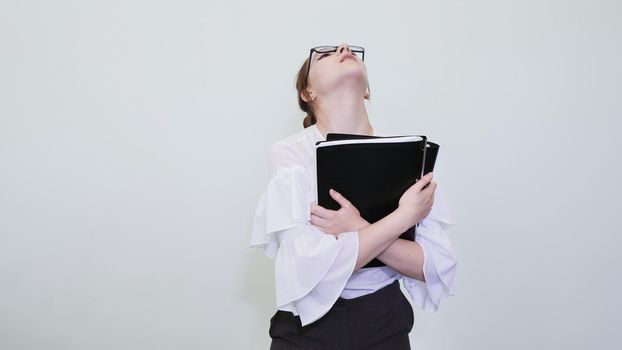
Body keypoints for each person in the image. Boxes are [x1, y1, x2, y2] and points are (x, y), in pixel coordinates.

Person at [250, 43, 457, 350]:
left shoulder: (408, 157)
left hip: (385, 324)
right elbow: (309, 267)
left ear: (367, 92)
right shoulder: (289, 155)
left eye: (348, 50)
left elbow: (432, 266)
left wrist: (356, 226)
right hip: (306, 332)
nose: (344, 48)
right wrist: (403, 217)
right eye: (324, 54)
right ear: (307, 93)